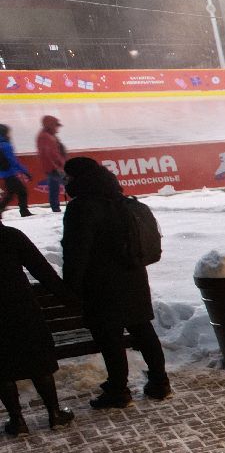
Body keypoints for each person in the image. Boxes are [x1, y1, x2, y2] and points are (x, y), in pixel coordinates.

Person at [60, 156, 169, 408]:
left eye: (68, 177)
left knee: (110, 338)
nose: (65, 181)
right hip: (134, 278)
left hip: (100, 285)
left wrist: (71, 289)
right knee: (143, 330)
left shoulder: (81, 208)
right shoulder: (122, 203)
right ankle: (160, 382)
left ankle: (118, 390)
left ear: (76, 179)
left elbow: (76, 253)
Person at [0, 224, 74, 435]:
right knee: (38, 361)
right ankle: (54, 413)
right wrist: (69, 299)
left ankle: (17, 421)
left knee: (2, 368)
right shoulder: (11, 236)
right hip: (22, 309)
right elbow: (41, 269)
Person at [0, 124, 32, 220]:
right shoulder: (6, 145)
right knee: (22, 191)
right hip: (9, 173)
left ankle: (24, 211)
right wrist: (25, 171)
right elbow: (13, 161)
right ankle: (24, 211)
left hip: (4, 173)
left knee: (11, 193)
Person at [35, 115, 67, 213]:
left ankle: (55, 208)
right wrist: (59, 166)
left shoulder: (47, 135)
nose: (58, 128)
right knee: (70, 185)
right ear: (51, 125)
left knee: (54, 188)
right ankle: (56, 207)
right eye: (56, 126)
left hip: (52, 167)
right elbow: (51, 154)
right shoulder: (46, 137)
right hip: (54, 167)